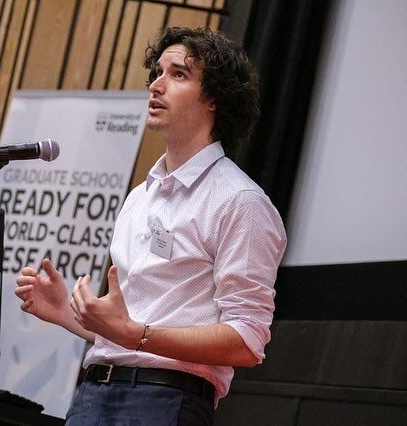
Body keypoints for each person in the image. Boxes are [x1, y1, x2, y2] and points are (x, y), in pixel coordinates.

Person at [15, 27, 287, 425]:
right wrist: (65, 313)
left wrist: (135, 334)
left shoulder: (240, 202)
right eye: (156, 72)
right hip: (93, 393)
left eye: (178, 75)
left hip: (166, 401)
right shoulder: (139, 197)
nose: (155, 85)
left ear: (214, 97)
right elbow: (126, 334)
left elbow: (246, 340)